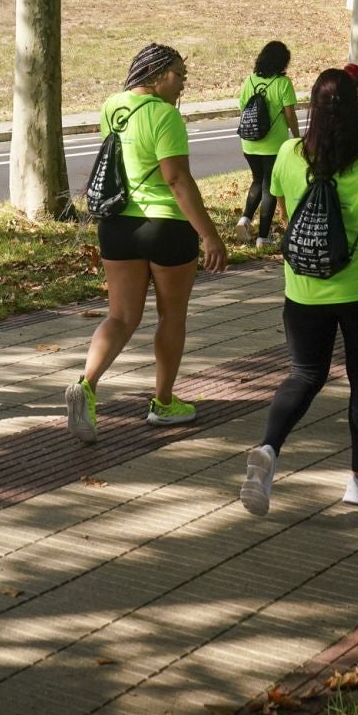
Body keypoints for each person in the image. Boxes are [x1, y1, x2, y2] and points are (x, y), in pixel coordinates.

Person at [238, 70, 358, 515]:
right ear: (355, 112)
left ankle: (269, 448)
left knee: (304, 374)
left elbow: (288, 216)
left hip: (304, 290)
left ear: (312, 110)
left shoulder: (288, 154)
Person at [67, 45, 229, 442]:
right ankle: (164, 402)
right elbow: (176, 179)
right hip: (165, 226)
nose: (183, 83)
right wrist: (209, 234)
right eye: (178, 74)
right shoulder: (165, 116)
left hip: (117, 225)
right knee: (172, 317)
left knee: (121, 317)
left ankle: (87, 384)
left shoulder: (113, 106)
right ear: (156, 74)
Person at [237, 41, 301, 246]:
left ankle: (244, 219)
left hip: (249, 142)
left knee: (257, 180)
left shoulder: (249, 80)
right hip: (274, 145)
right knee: (270, 188)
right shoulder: (283, 83)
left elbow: (242, 108)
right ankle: (263, 238)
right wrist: (297, 136)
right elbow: (290, 115)